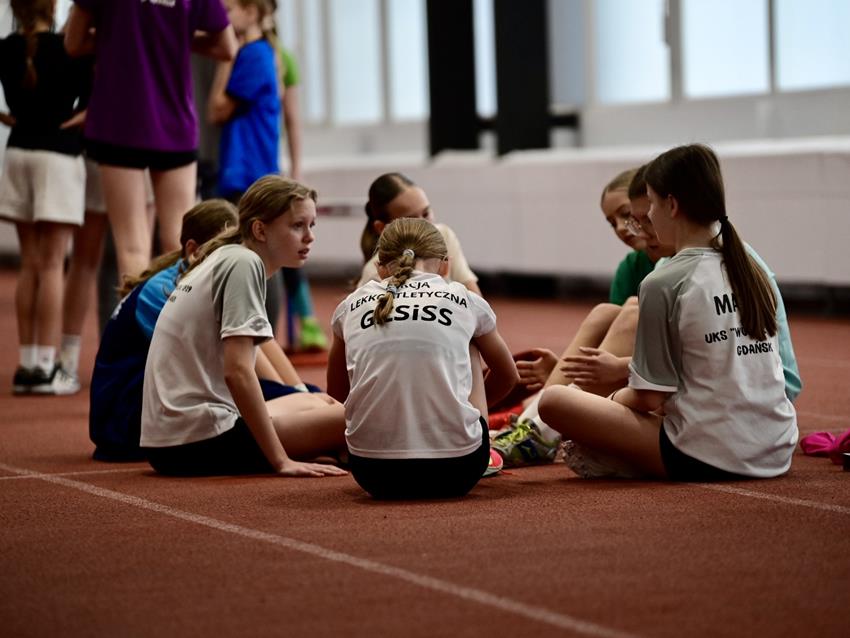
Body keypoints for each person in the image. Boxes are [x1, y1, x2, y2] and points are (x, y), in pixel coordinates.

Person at [538, 144, 798, 481]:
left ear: (671, 205)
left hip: (705, 455)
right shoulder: (753, 268)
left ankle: (620, 458)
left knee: (555, 401)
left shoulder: (663, 281)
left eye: (650, 205)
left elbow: (648, 397)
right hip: (777, 447)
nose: (645, 218)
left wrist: (605, 400)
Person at [140, 175, 347, 478]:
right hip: (197, 440)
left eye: (311, 225)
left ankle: (337, 450)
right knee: (359, 418)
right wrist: (281, 461)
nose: (309, 237)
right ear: (260, 230)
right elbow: (237, 372)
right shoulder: (243, 264)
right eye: (297, 226)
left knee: (323, 401)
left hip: (174, 436)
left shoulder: (228, 255)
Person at [327, 217, 518, 499]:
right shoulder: (464, 299)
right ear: (445, 265)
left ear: (379, 267)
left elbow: (337, 392)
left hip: (372, 472)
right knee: (471, 341)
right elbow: (509, 375)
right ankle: (465, 432)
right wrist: (465, 411)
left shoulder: (349, 306)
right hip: (459, 469)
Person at [64, 0, 237, 281]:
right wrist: (179, 39)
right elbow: (227, 47)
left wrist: (114, 40)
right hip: (173, 123)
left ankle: (138, 311)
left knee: (131, 246)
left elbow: (73, 44)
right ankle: (178, 310)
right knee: (180, 242)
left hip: (119, 123)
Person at [0, 0, 91, 395]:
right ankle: (46, 366)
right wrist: (72, 121)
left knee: (31, 263)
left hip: (18, 152)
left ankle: (26, 363)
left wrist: (11, 119)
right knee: (53, 264)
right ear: (52, 6)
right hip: (58, 155)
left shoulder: (7, 47)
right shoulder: (68, 48)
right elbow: (92, 102)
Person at [359, 172, 481, 295]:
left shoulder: (444, 235)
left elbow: (475, 297)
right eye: (412, 221)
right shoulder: (372, 275)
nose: (425, 225)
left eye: (426, 213)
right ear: (382, 228)